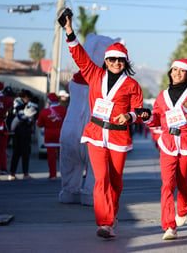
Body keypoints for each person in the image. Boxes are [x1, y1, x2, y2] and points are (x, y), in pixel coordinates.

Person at [62, 12, 146, 239]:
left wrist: (130, 116)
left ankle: (112, 214)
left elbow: (141, 111)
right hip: (96, 134)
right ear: (106, 61)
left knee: (115, 182)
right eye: (112, 59)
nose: (116, 63)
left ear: (125, 62)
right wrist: (69, 30)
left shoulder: (132, 85)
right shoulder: (94, 74)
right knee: (101, 180)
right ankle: (105, 222)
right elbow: (79, 55)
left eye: (120, 60)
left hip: (119, 138)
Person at [144, 58, 187, 240]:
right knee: (167, 184)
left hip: (186, 143)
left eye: (182, 70)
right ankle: (169, 227)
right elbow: (156, 118)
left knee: (182, 182)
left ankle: (185, 206)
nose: (177, 73)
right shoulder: (162, 95)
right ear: (170, 72)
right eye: (175, 70)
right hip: (167, 143)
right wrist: (148, 117)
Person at [59, 71, 94, 206]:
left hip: (71, 124)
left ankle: (69, 192)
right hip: (92, 126)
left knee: (70, 162)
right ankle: (90, 195)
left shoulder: (75, 79)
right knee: (95, 166)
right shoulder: (101, 78)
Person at [9, 89, 38, 180]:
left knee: (20, 153)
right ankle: (16, 173)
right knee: (19, 153)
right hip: (21, 131)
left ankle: (16, 173)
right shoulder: (18, 105)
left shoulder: (18, 104)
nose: (28, 100)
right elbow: (23, 116)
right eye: (27, 99)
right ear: (24, 98)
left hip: (20, 131)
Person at [37, 93, 67, 180]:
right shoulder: (63, 110)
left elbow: (39, 124)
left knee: (51, 157)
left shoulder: (44, 111)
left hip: (49, 136)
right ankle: (64, 174)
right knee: (62, 156)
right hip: (61, 135)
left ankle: (52, 174)